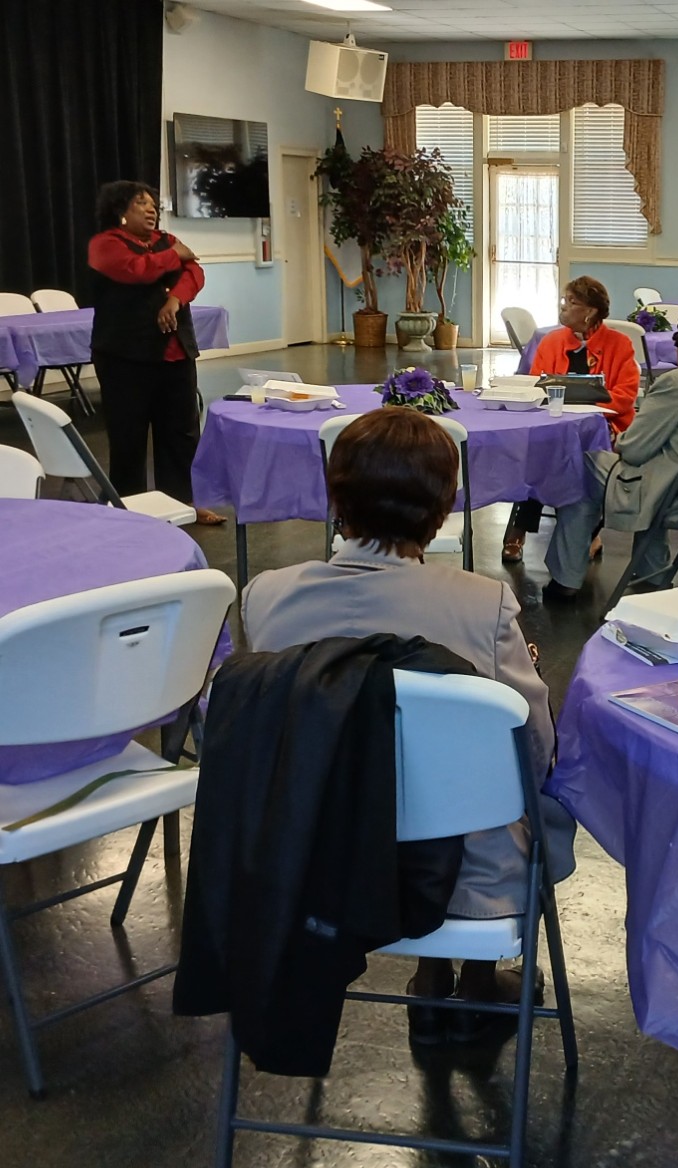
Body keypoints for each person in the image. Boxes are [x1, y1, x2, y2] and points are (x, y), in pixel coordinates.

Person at [240, 408, 576, 1043]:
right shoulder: (482, 603)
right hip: (464, 871)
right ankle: (473, 980)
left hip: (318, 855)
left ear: (335, 496)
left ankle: (430, 978)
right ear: (445, 505)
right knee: (483, 797)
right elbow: (534, 750)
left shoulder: (266, 596)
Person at [541, 306, 678, 602]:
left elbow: (634, 449)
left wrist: (625, 435)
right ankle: (649, 571)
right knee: (654, 471)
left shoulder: (677, 384)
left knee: (582, 465)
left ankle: (566, 578)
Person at [86, 180, 223, 524]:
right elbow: (134, 270)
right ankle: (131, 511)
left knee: (181, 434)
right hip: (125, 356)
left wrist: (175, 299)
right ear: (120, 211)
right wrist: (173, 256)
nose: (151, 210)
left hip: (175, 354)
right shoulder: (105, 244)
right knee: (129, 436)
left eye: (152, 204)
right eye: (140, 204)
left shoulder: (166, 241)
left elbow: (194, 272)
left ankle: (184, 505)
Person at [502, 275, 640, 564]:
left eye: (571, 303)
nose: (562, 308)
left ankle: (590, 532)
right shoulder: (551, 341)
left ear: (589, 311)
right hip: (554, 421)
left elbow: (625, 396)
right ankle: (519, 527)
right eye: (564, 301)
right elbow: (535, 386)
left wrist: (588, 405)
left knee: (592, 457)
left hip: (603, 424)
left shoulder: (620, 345)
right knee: (542, 449)